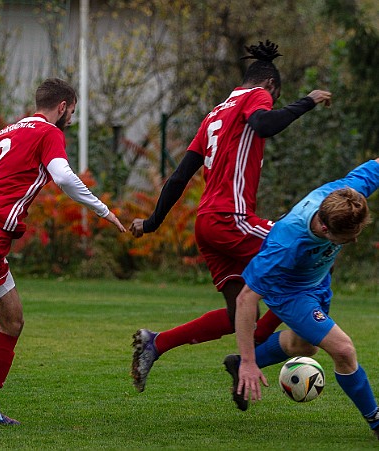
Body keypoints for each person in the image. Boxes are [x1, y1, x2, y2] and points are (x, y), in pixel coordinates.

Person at [129, 40, 332, 393]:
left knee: (241, 316)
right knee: (310, 258)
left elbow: (179, 177)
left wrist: (151, 223)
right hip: (231, 218)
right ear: (270, 85)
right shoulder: (258, 95)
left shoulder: (214, 115)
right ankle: (248, 359)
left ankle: (156, 344)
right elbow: (265, 124)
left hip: (208, 225)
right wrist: (307, 102)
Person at [0, 78, 126, 424]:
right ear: (62, 107)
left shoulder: (7, 132)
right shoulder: (49, 133)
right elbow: (64, 178)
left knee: (12, 321)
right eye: (72, 112)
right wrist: (103, 210)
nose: (70, 120)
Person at [226, 158, 379, 439]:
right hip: (290, 292)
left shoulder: (345, 196)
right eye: (347, 237)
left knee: (304, 347)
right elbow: (246, 298)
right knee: (344, 350)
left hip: (318, 280)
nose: (354, 239)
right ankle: (376, 421)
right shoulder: (286, 243)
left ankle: (239, 363)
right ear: (324, 230)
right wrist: (249, 361)